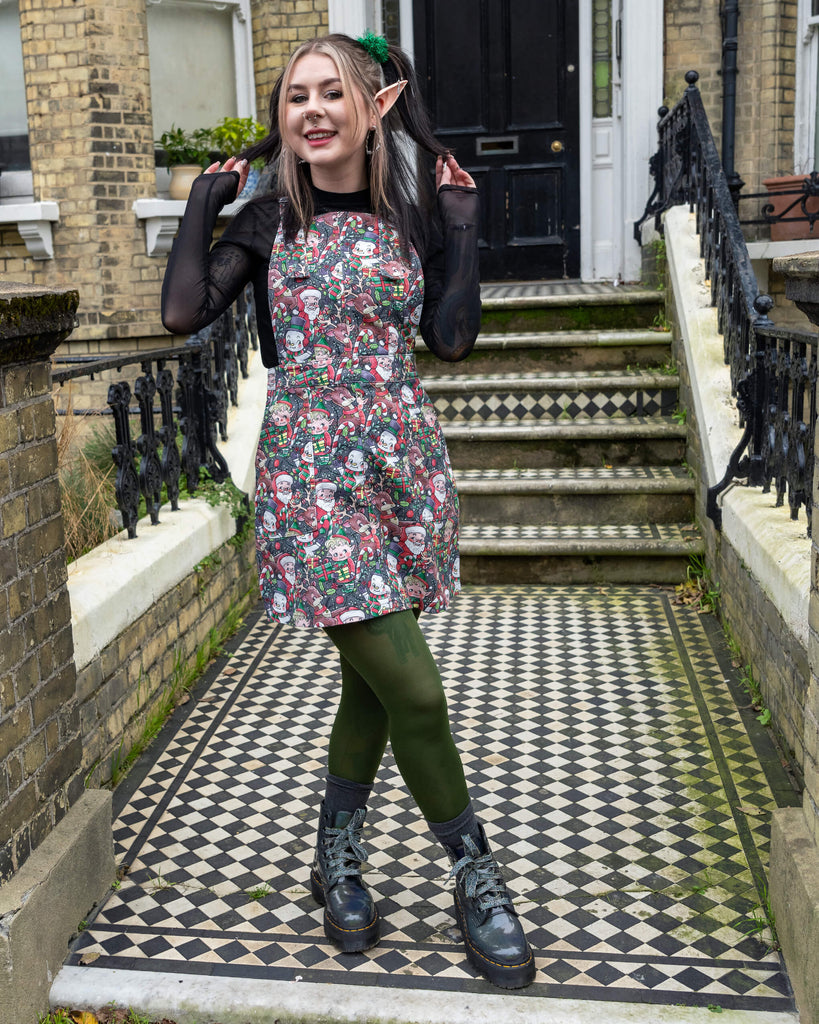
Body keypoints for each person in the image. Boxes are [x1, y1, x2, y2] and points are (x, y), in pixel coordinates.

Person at [161, 31, 534, 990]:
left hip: (402, 467)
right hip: (311, 477)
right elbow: (182, 314)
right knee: (413, 687)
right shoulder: (266, 218)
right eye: (297, 97)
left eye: (333, 92)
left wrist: (462, 227)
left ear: (377, 103)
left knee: (369, 687)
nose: (313, 110)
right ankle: (474, 874)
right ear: (283, 117)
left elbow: (447, 341)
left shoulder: (411, 211)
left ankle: (334, 859)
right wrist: (203, 205)